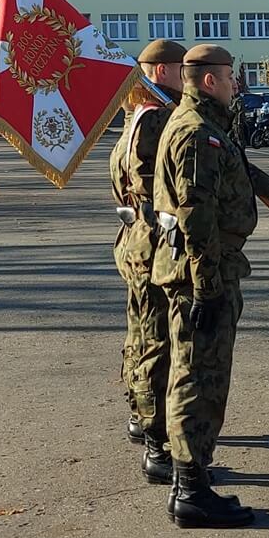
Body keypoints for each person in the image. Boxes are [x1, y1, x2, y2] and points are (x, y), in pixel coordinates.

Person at [153, 43, 269, 528]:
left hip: (209, 266)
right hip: (204, 272)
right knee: (200, 378)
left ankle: (190, 477)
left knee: (198, 374)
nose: (238, 84)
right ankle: (192, 491)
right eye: (231, 76)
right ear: (210, 80)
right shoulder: (196, 132)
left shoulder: (208, 125)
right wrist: (207, 287)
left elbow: (235, 167)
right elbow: (196, 217)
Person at [109, 38, 186, 476]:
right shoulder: (157, 119)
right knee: (156, 338)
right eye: (180, 68)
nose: (186, 77)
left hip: (134, 238)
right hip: (152, 241)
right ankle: (155, 432)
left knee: (140, 332)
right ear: (160, 72)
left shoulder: (134, 117)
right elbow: (151, 185)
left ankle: (140, 414)